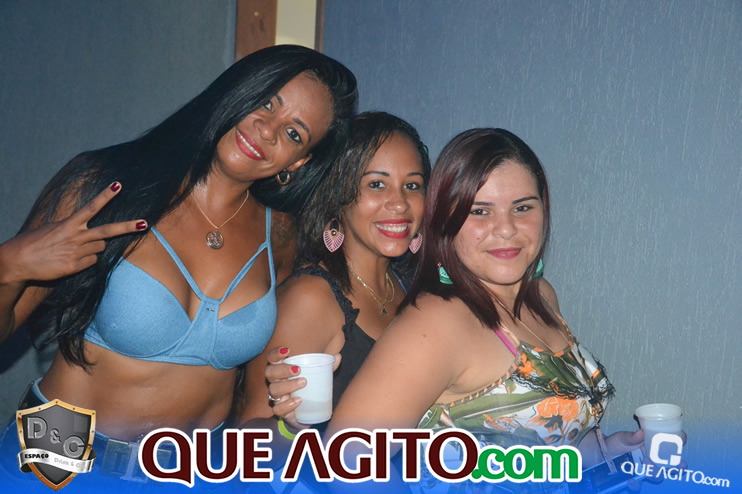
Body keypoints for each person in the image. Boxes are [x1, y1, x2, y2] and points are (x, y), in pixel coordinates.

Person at [0, 44, 357, 490]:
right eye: (266, 103)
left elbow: (258, 411)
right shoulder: (104, 185)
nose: (267, 131)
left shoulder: (281, 235)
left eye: (293, 134)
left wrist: (287, 410)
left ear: (298, 162)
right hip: (59, 458)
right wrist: (9, 266)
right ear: (236, 90)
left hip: (192, 473)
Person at [325, 128, 644, 490]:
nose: (506, 229)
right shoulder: (438, 321)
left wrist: (606, 453)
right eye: (480, 211)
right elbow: (346, 461)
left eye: (522, 208)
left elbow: (543, 448)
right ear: (445, 222)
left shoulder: (541, 296)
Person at [240, 112, 430, 438]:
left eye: (412, 185)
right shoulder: (310, 298)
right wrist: (290, 426)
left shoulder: (412, 288)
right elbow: (251, 436)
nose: (399, 204)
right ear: (338, 194)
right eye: (376, 184)